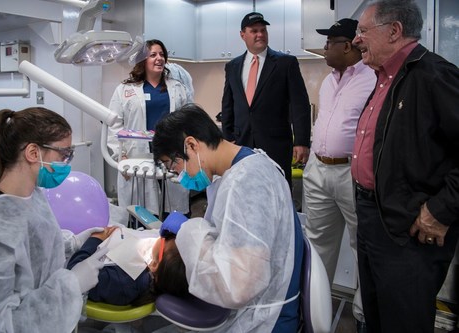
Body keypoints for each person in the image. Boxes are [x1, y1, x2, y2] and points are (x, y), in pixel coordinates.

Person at [350, 1, 459, 332]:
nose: (356, 40)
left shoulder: (435, 75)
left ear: (394, 31)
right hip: (373, 218)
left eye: (362, 31)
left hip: (409, 230)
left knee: (404, 322)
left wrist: (440, 210)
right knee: (377, 316)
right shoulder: (383, 78)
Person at [152, 104, 304, 332]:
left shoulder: (247, 181)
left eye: (174, 165)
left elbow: (238, 286)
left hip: (265, 320)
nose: (179, 175)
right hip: (256, 305)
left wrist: (189, 232)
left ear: (191, 145)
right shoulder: (240, 168)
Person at [0, 107, 108, 332]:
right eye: (64, 154)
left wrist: (72, 242)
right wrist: (71, 286)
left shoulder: (31, 196)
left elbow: (32, 245)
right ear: (32, 153)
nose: (67, 163)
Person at [302, 18, 376, 332]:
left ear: (347, 46)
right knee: (317, 246)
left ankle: (362, 316)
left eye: (329, 42)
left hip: (353, 172)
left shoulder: (373, 78)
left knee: (364, 245)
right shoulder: (330, 79)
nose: (324, 48)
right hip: (319, 169)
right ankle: (314, 310)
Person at [221, 12, 311, 189]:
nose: (260, 34)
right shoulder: (232, 66)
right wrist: (228, 137)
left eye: (263, 30)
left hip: (276, 145)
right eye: (254, 30)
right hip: (241, 144)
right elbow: (228, 105)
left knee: (278, 193)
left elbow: (299, 104)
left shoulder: (286, 63)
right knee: (245, 191)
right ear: (242, 35)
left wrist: (301, 141)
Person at [108, 39, 192, 218]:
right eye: (153, 55)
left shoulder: (177, 88)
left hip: (171, 156)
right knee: (140, 215)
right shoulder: (124, 89)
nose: (159, 58)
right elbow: (114, 124)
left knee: (173, 212)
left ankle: (171, 244)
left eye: (162, 54)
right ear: (142, 60)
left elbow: (188, 120)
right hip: (137, 157)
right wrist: (120, 155)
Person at [67, 224, 189, 306]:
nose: (161, 236)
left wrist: (95, 239)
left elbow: (74, 276)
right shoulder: (164, 268)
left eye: (164, 238)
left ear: (154, 265)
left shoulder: (122, 282)